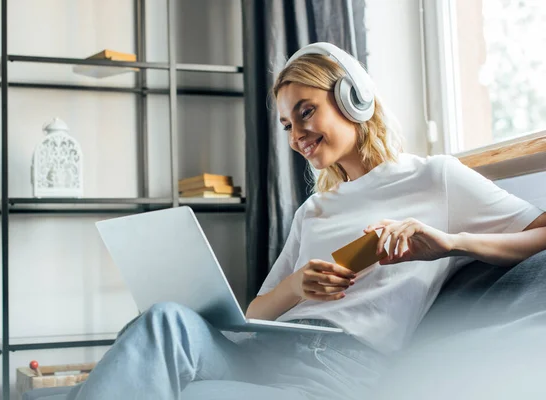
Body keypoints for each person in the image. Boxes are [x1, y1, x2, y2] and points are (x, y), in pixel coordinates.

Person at [67, 43, 546, 400]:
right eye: (287, 126)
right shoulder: (313, 210)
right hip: (270, 348)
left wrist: (450, 243)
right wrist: (297, 286)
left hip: (338, 367)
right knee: (163, 320)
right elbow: (253, 316)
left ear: (354, 99)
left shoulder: (434, 178)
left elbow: (539, 231)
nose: (297, 135)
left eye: (305, 112)